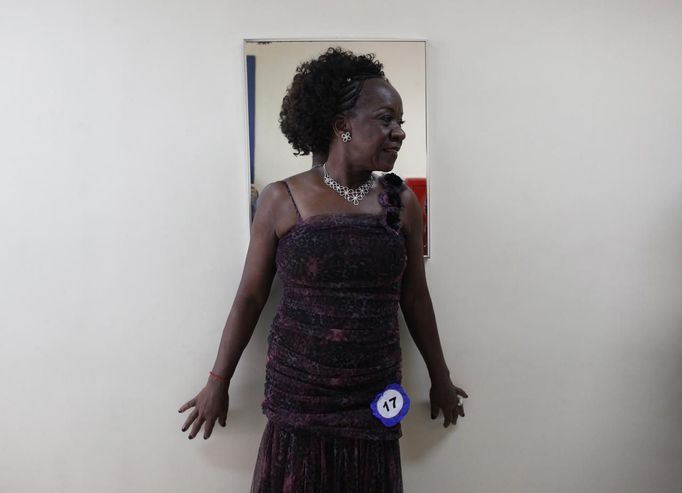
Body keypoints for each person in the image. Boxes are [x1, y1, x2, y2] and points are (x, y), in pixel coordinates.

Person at [179, 47, 468, 492]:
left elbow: (415, 298)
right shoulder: (281, 198)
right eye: (387, 119)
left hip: (373, 392)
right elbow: (250, 297)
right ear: (342, 126)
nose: (399, 133)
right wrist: (218, 380)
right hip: (300, 391)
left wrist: (440, 377)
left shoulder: (401, 201)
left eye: (402, 123)